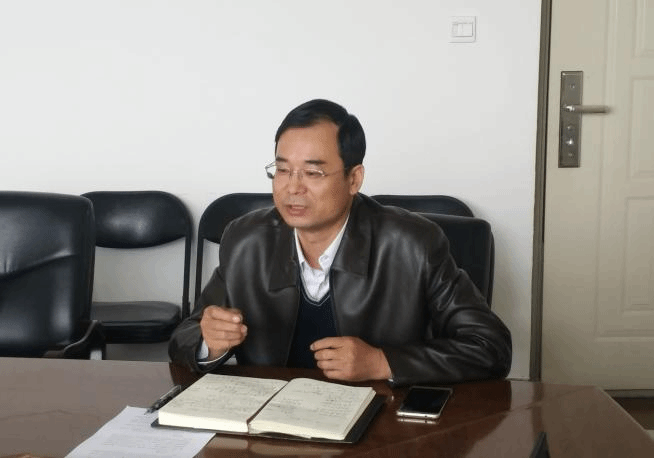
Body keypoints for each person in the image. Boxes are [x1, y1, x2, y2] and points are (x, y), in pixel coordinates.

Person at [169, 99, 512, 386]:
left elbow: (491, 347)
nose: (293, 187)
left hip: (381, 424)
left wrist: (382, 362)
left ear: (354, 179)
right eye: (283, 170)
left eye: (313, 172)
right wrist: (209, 343)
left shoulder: (413, 244)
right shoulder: (246, 240)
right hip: (271, 425)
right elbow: (185, 336)